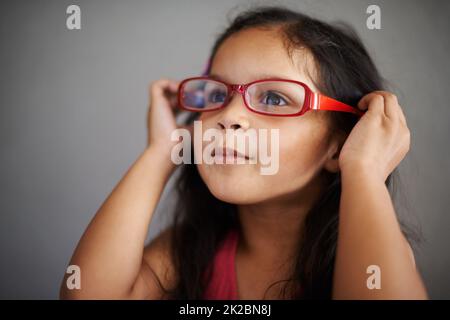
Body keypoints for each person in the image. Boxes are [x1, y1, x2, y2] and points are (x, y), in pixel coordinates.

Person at [60, 6, 427, 299]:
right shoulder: (186, 252)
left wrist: (363, 169)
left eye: (273, 97)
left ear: (340, 143)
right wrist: (163, 150)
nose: (229, 116)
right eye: (217, 94)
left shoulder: (375, 258)